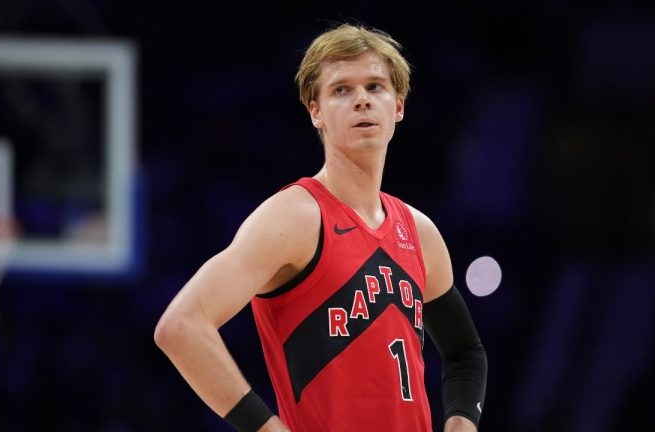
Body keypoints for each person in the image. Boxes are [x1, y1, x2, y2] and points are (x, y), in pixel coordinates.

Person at [154, 22, 487, 432]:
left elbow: (465, 351)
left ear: (398, 106)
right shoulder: (295, 217)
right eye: (341, 90)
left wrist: (461, 424)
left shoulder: (419, 232)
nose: (361, 101)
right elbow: (181, 326)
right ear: (316, 112)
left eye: (375, 87)